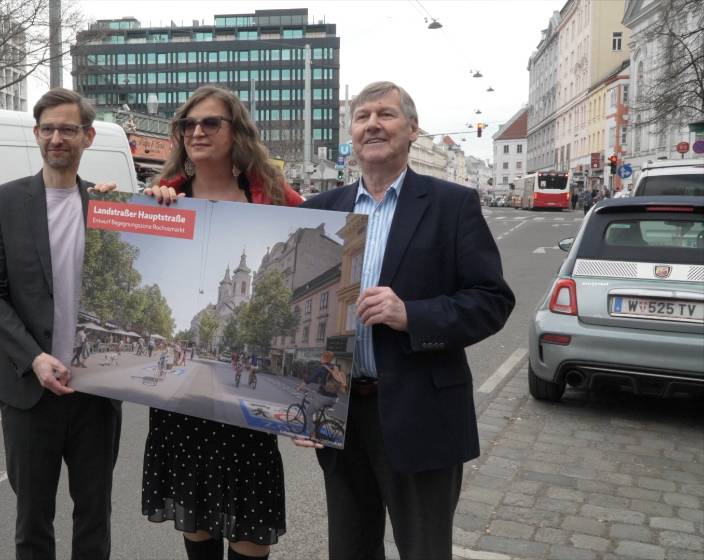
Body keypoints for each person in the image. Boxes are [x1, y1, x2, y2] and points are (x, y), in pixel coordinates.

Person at [297, 81, 515, 560]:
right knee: (349, 549)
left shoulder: (451, 205)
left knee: (424, 549)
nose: (372, 124)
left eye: (386, 115)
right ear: (351, 133)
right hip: (341, 415)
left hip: (422, 413)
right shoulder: (319, 211)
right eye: (362, 116)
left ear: (412, 130)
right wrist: (304, 404)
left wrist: (411, 314)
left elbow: (492, 300)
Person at [144, 85, 303, 560]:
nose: (197, 131)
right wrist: (130, 206)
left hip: (243, 422)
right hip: (181, 417)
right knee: (195, 522)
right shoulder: (161, 197)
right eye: (188, 125)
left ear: (237, 132)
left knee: (251, 532)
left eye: (211, 122)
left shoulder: (274, 200)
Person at [0, 88, 122, 560]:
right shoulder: (6, 203)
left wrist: (156, 201)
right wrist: (33, 357)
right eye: (48, 128)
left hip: (96, 392)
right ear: (36, 134)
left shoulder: (111, 208)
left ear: (88, 137)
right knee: (32, 520)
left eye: (68, 129)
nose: (57, 137)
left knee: (94, 516)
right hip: (30, 391)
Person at [295, 351, 348, 437]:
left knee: (309, 412)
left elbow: (310, 379)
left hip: (324, 397)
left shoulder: (321, 368)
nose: (320, 358)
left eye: (321, 356)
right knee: (316, 399)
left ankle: (312, 434)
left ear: (323, 357)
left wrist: (299, 387)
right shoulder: (335, 367)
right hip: (334, 399)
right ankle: (317, 421)